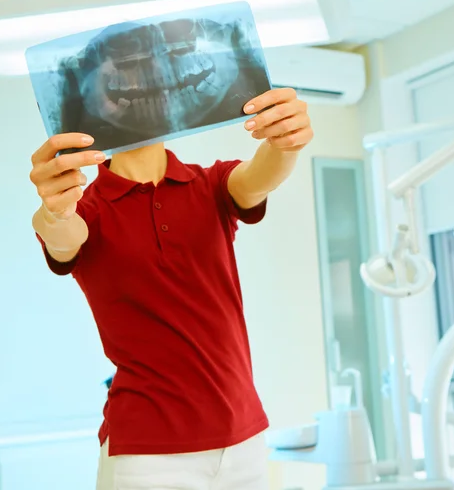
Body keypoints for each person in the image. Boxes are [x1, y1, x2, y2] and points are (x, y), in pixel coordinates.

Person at [29, 87, 313, 490]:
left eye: (146, 83)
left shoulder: (212, 184)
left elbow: (260, 174)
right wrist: (54, 210)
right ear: (92, 109)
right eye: (116, 89)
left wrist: (287, 142)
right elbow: (60, 234)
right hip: (147, 455)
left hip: (246, 442)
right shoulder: (86, 211)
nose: (136, 94)